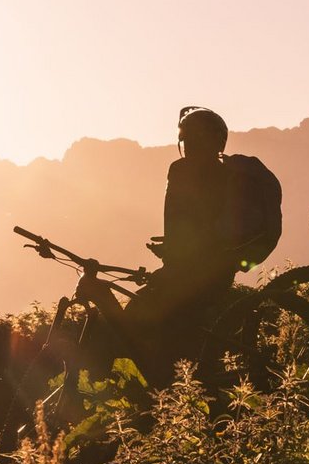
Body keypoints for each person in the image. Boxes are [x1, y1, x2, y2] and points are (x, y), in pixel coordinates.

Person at [76, 106, 252, 379]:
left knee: (139, 322)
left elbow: (188, 222)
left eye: (193, 140)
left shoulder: (183, 170)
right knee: (142, 320)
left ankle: (160, 388)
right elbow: (197, 225)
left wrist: (175, 248)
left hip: (193, 275)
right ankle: (162, 383)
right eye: (188, 141)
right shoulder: (225, 176)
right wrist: (175, 246)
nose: (189, 146)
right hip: (207, 273)